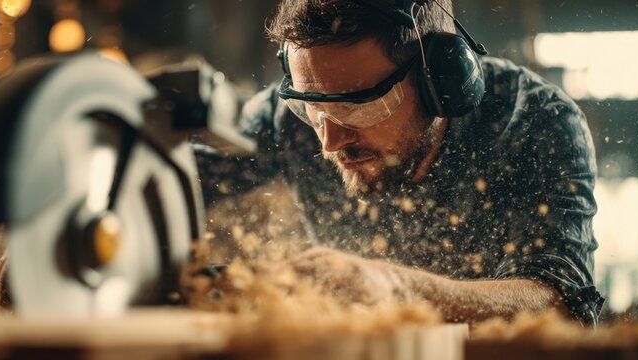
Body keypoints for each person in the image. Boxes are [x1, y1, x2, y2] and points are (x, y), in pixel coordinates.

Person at [193, 0, 604, 325]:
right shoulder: (288, 115)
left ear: (441, 80)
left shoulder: (533, 121)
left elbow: (563, 301)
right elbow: (182, 177)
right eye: (311, 109)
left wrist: (394, 287)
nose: (330, 141)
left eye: (359, 107)